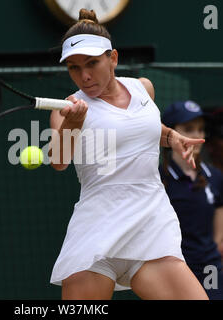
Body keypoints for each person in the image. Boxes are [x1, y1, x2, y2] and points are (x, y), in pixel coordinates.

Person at [49, 9, 208, 300]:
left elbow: (139, 127)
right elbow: (58, 161)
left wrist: (171, 137)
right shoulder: (66, 109)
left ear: (113, 58)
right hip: (97, 232)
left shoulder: (143, 88)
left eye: (92, 63)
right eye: (73, 67)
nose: (83, 76)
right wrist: (72, 123)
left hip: (151, 226)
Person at [159, 101, 223, 299]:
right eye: (188, 129)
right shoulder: (157, 180)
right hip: (172, 271)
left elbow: (219, 234)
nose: (197, 136)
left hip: (210, 269)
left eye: (201, 129)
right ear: (171, 135)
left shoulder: (215, 176)